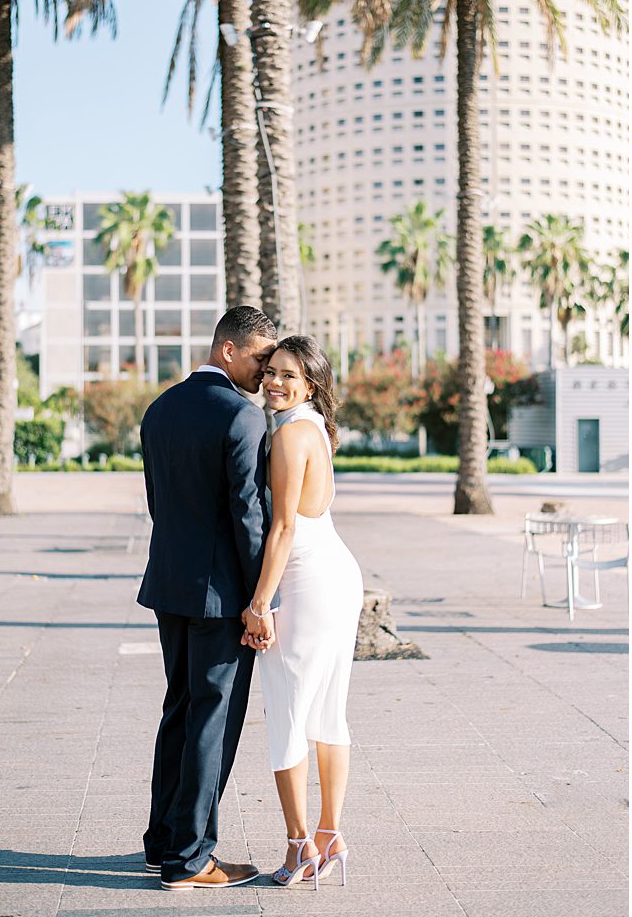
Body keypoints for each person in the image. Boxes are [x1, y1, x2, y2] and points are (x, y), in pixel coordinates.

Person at [137, 305, 278, 890]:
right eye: (261, 359)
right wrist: (259, 600)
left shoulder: (159, 408)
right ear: (228, 350)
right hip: (221, 596)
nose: (268, 373)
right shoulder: (240, 417)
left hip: (170, 584)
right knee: (211, 722)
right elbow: (248, 515)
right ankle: (190, 859)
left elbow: (157, 501)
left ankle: (162, 843)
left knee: (180, 710)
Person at [247, 334, 364, 887]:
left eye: (288, 375)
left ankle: (299, 847)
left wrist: (259, 603)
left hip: (308, 585)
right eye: (270, 370)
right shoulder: (313, 425)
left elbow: (285, 527)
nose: (274, 381)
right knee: (327, 715)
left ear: (310, 384)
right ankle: (329, 833)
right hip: (335, 576)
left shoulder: (292, 434)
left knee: (288, 716)